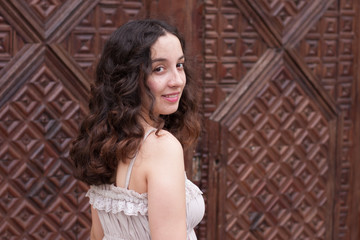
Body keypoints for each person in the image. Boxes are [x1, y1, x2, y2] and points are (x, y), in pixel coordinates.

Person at [70, 19, 205, 240]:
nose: (178, 81)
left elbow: (97, 235)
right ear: (129, 78)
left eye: (179, 65)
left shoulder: (105, 142)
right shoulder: (162, 147)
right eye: (159, 69)